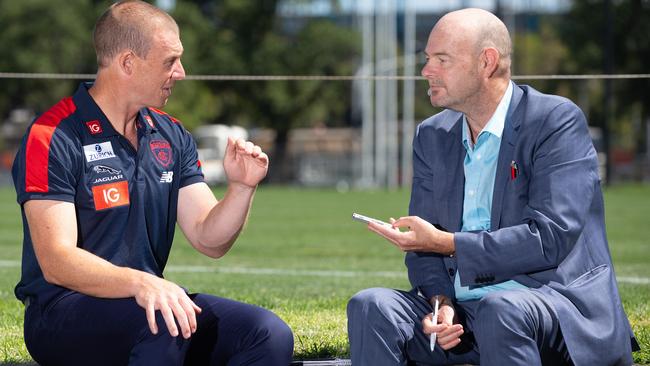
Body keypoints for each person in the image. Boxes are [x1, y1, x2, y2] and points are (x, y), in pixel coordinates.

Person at [347, 8, 639, 366]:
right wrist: (442, 303)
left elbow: (549, 237)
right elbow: (424, 250)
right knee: (371, 306)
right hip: (466, 312)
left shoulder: (555, 121)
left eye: (442, 59)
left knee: (500, 310)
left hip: (551, 303)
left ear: (487, 62)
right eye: (427, 59)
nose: (426, 71)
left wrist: (447, 244)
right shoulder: (431, 135)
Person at [11, 1, 293, 365]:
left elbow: (209, 239)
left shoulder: (170, 134)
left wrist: (242, 187)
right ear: (128, 63)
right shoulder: (52, 135)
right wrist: (142, 283)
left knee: (266, 334)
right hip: (62, 310)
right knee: (163, 323)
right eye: (170, 61)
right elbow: (57, 262)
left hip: (149, 303)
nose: (181, 72)